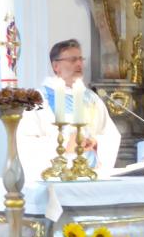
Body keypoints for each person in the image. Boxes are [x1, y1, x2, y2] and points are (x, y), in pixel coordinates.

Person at [17, 39, 121, 180]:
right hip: (58, 178)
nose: (79, 64)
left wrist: (95, 143)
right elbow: (26, 141)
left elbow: (110, 135)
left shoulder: (91, 98)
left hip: (91, 175)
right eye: (72, 60)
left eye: (80, 59)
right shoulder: (39, 99)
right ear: (56, 66)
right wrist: (66, 144)